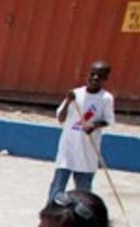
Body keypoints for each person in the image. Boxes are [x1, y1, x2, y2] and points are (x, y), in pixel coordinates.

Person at [49, 61, 115, 204]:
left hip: (87, 150)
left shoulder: (106, 98)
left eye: (100, 76)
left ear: (105, 79)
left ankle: (83, 213)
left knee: (83, 190)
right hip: (68, 148)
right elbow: (60, 118)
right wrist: (68, 101)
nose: (95, 78)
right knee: (58, 185)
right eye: (92, 75)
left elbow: (109, 120)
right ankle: (51, 210)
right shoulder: (76, 93)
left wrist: (94, 124)